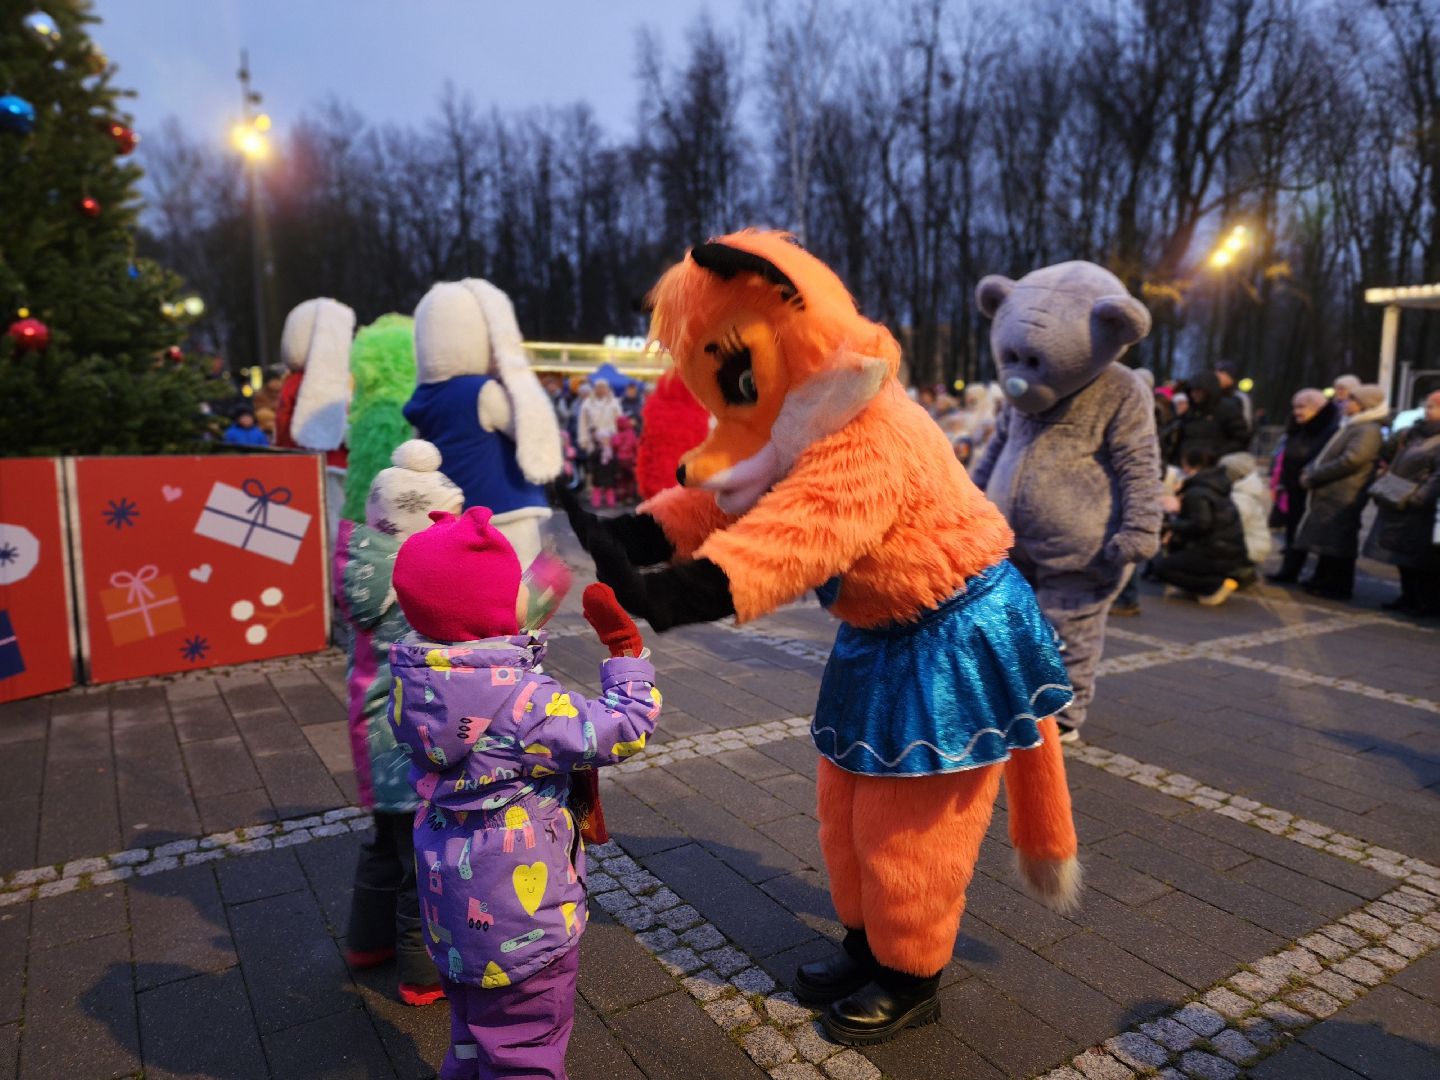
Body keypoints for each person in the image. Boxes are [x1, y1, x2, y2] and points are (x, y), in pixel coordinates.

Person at [388, 507, 662, 1079]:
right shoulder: (525, 705)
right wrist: (626, 657)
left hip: (451, 911)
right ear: (495, 612)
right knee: (523, 1047)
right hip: (522, 923)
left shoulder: (413, 683)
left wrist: (518, 624)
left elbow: (474, 635)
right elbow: (624, 728)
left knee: (471, 1030)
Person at [340, 441, 463, 1006]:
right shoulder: (427, 578)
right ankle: (421, 976)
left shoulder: (359, 565)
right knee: (422, 865)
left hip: (371, 734)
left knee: (383, 847)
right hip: (415, 739)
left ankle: (367, 944)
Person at [1295, 383, 1389, 600]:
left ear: (1364, 405)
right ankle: (1323, 578)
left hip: (1345, 492)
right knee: (1326, 538)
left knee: (1339, 540)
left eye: (1352, 400)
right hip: (1333, 490)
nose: (1346, 403)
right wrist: (1311, 469)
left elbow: (1351, 460)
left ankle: (1338, 585)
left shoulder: (1368, 430)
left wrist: (1315, 474)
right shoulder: (1353, 425)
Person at [1362, 389, 1440, 616]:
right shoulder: (1415, 433)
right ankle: (1408, 596)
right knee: (1401, 555)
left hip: (1418, 506)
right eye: (1427, 405)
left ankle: (1426, 602)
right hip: (1397, 499)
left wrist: (1419, 498)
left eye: (1433, 406)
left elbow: (1438, 477)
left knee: (1421, 560)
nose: (1427, 410)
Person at [1152, 447, 1248, 605]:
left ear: (1189, 466)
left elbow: (1200, 524)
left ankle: (1213, 585)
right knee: (1175, 556)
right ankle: (1201, 585)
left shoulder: (1197, 492)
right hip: (1229, 550)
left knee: (1162, 568)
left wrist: (1171, 525)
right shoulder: (1216, 484)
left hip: (1216, 552)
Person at [1267, 388, 1341, 583]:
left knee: (1311, 533)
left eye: (1301, 407)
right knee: (1293, 530)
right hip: (1294, 485)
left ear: (1317, 408)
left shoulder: (1328, 430)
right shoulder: (1298, 428)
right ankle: (1290, 570)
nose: (1296, 412)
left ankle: (1317, 576)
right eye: (1294, 407)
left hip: (1312, 487)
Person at [1219, 451, 1272, 585]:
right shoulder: (1245, 491)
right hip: (1253, 546)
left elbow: (1226, 525)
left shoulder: (1241, 497)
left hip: (1249, 549)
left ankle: (1240, 572)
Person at [1173, 371, 1250, 464]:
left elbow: (1241, 438)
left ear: (1208, 390)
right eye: (1192, 390)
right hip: (1186, 464)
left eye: (1199, 390)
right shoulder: (1189, 411)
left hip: (1216, 464)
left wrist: (1216, 453)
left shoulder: (1227, 409)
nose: (1195, 394)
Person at [578, 379, 624, 508]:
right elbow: (582, 423)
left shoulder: (614, 403)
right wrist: (584, 440)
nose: (601, 390)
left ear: (607, 389)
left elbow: (620, 422)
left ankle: (610, 496)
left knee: (609, 471)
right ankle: (595, 495)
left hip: (610, 442)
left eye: (603, 387)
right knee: (595, 471)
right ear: (595, 389)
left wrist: (619, 440)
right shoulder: (587, 403)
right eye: (598, 387)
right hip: (594, 443)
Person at [1214, 360, 1254, 429]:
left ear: (1231, 376)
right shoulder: (1212, 395)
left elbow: (1247, 425)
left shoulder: (1240, 397)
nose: (1218, 376)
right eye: (1217, 372)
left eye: (1222, 373)